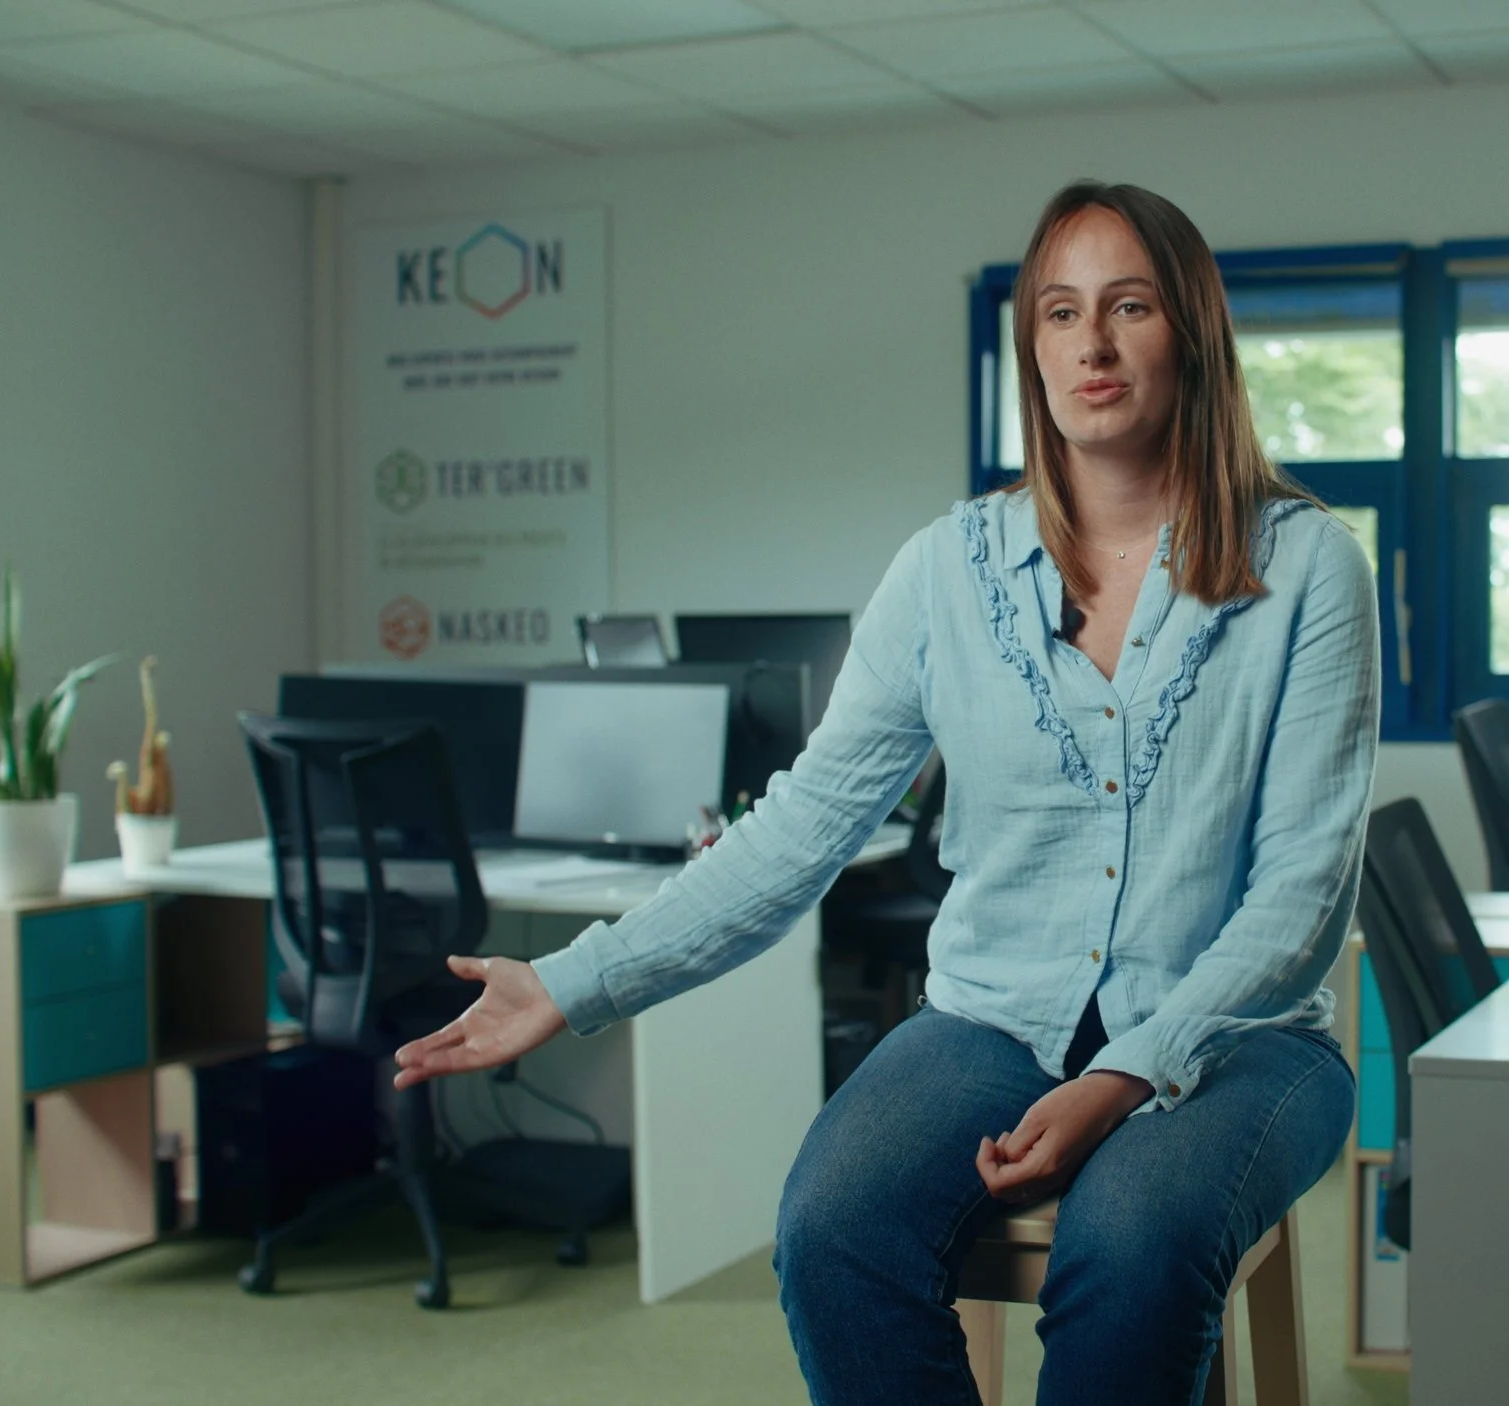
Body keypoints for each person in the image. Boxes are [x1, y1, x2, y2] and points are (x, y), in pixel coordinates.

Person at [394, 180, 1378, 1406]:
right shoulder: (945, 572)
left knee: (1128, 1244)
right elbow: (802, 825)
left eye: (1130, 306)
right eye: (1061, 311)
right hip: (992, 1015)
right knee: (830, 1230)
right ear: (1031, 345)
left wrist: (1120, 1076)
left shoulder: (1310, 568)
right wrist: (572, 979)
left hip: (1240, 1038)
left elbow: (1299, 895)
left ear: (1191, 330)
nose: (1093, 341)